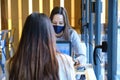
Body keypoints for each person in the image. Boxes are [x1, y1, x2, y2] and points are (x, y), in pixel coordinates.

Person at [5, 12, 75, 80]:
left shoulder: (10, 65)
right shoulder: (66, 62)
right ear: (50, 35)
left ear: (25, 36)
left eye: (60, 23)